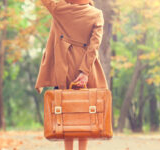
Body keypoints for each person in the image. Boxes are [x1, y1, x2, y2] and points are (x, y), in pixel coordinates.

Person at [35, 0, 108, 149]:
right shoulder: (96, 14)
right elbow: (94, 46)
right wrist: (84, 72)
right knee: (85, 113)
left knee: (66, 114)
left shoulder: (59, 9)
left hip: (64, 67)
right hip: (86, 68)